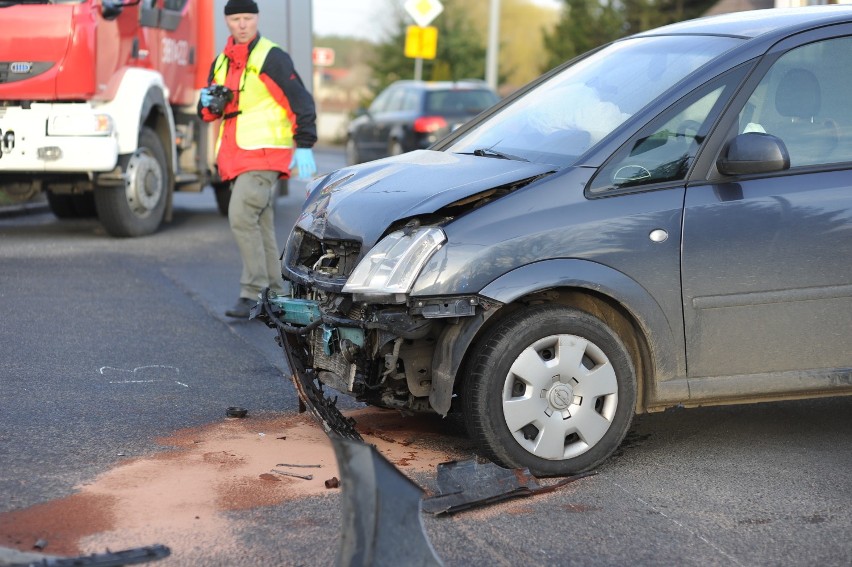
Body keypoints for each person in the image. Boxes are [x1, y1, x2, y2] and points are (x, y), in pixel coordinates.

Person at [198, 0, 317, 318]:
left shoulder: (271, 56)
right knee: (260, 224)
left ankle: (251, 293)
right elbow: (210, 113)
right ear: (227, 21)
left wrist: (304, 143)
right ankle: (277, 294)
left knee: (240, 216)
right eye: (235, 18)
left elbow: (300, 101)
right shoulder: (222, 61)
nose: (242, 24)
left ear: (256, 19)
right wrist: (207, 103)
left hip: (265, 155)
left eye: (247, 18)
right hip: (236, 156)